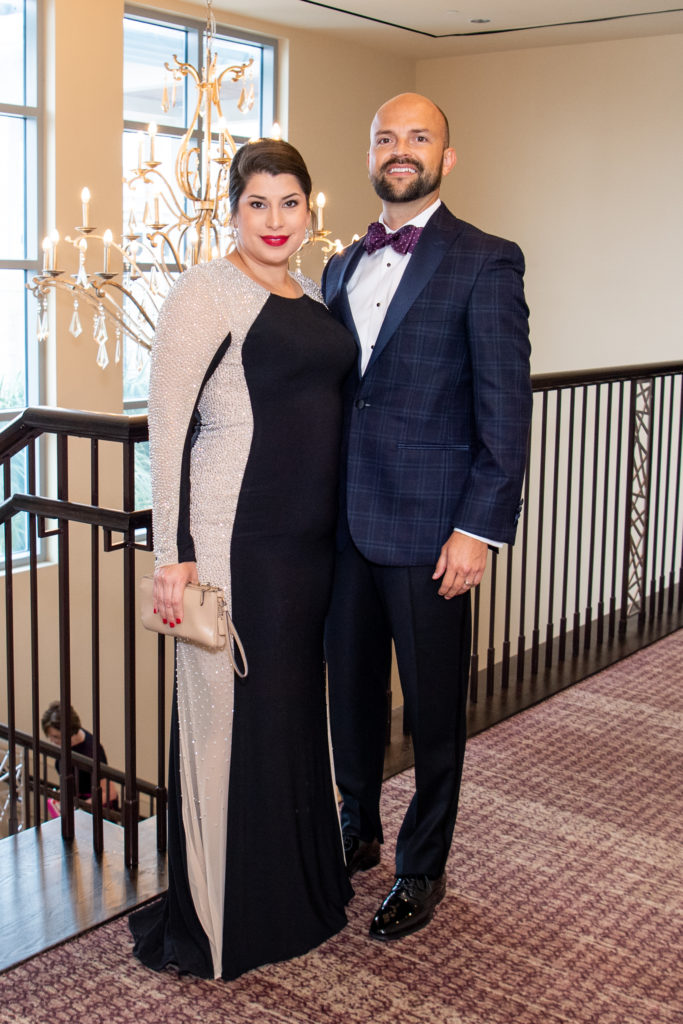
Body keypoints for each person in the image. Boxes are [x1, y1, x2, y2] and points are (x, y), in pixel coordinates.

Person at [129, 139, 355, 981]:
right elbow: (167, 426)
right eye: (255, 203)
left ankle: (298, 893)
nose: (273, 220)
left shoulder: (311, 293)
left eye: (288, 202)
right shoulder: (205, 289)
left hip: (308, 547)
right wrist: (171, 557)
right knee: (231, 727)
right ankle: (228, 921)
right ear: (232, 211)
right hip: (235, 540)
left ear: (308, 210)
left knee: (293, 717)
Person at [322, 93, 532, 941]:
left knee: (435, 711)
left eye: (417, 138)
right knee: (351, 695)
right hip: (342, 528)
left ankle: (421, 867)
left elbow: (504, 411)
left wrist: (476, 530)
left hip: (431, 532)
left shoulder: (485, 261)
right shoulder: (339, 265)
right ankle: (357, 826)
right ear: (369, 153)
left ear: (446, 159)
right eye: (384, 137)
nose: (398, 150)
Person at [41, 700, 119, 814]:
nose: (52, 741)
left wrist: (79, 808)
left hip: (94, 811)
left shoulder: (92, 751)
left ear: (69, 732)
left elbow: (110, 793)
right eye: (51, 736)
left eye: (56, 737)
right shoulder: (66, 744)